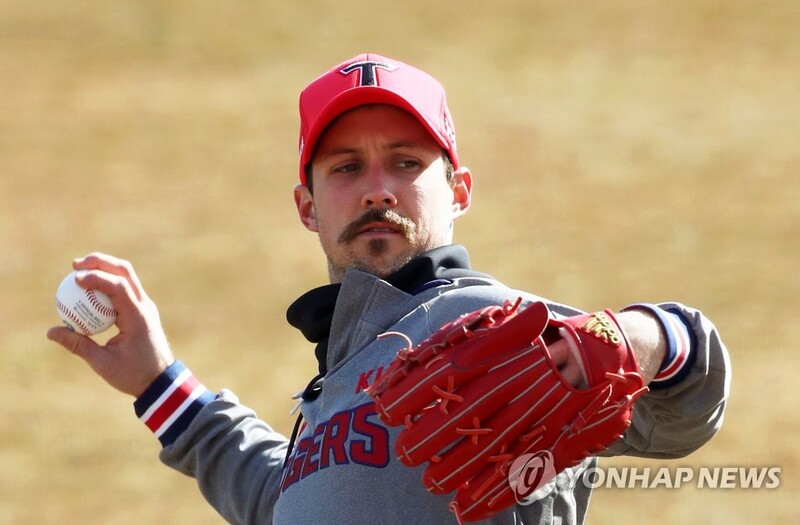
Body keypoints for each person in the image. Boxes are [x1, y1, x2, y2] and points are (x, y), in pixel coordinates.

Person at [47, 53, 731, 524]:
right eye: (346, 167)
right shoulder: (335, 381)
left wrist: (648, 338)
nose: (377, 188)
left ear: (459, 190)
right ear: (307, 206)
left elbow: (683, 413)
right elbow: (287, 501)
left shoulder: (495, 326)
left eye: (406, 162)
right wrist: (158, 383)